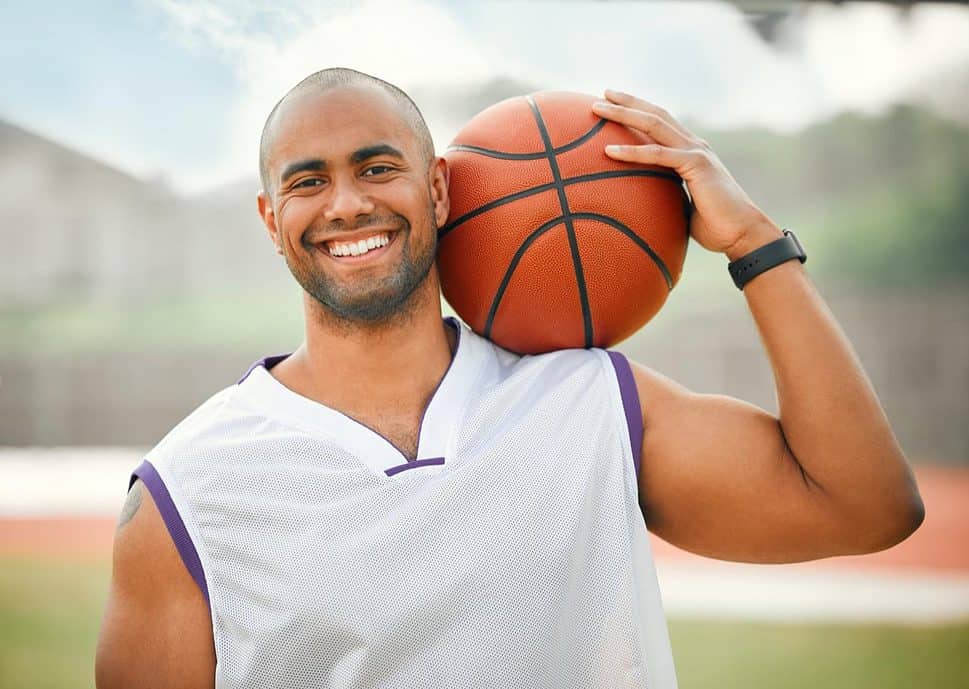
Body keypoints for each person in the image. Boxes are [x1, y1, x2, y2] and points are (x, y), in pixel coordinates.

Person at [95, 68, 924, 688]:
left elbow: (865, 504)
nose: (346, 204)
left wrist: (754, 241)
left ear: (440, 186)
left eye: (377, 167)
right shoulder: (188, 492)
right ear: (271, 219)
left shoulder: (586, 399)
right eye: (307, 181)